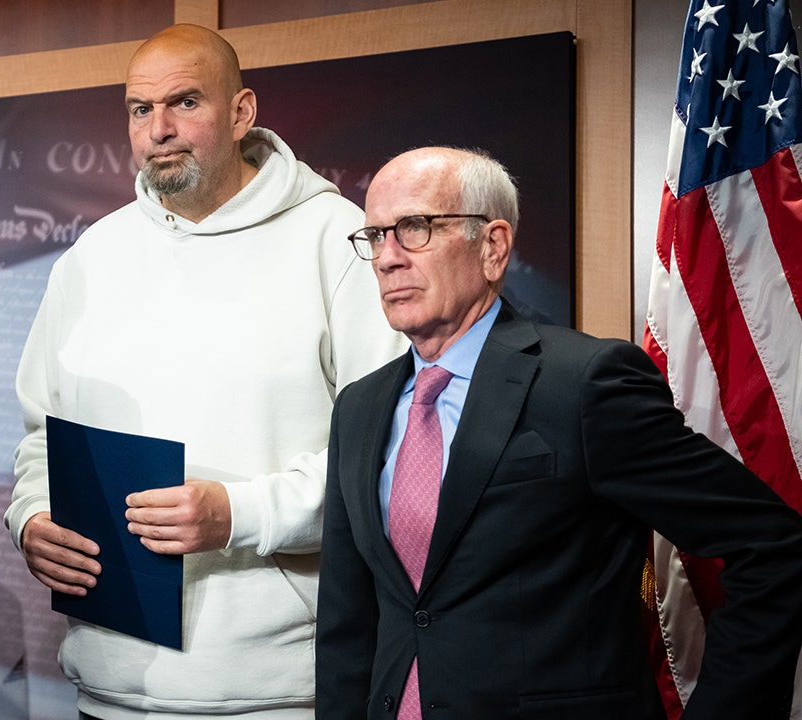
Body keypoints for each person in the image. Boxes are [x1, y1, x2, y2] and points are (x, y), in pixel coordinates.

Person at [4, 23, 405, 720]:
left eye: (185, 102)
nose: (159, 128)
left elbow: (389, 453)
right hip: (107, 683)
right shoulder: (93, 257)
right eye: (139, 109)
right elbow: (44, 431)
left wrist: (237, 515)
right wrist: (32, 516)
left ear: (243, 112)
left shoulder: (336, 243)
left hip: (279, 692)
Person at [316, 146, 802, 719]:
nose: (388, 258)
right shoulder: (359, 408)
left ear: (492, 246)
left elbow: (771, 546)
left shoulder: (584, 384)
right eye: (375, 236)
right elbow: (350, 623)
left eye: (415, 228)